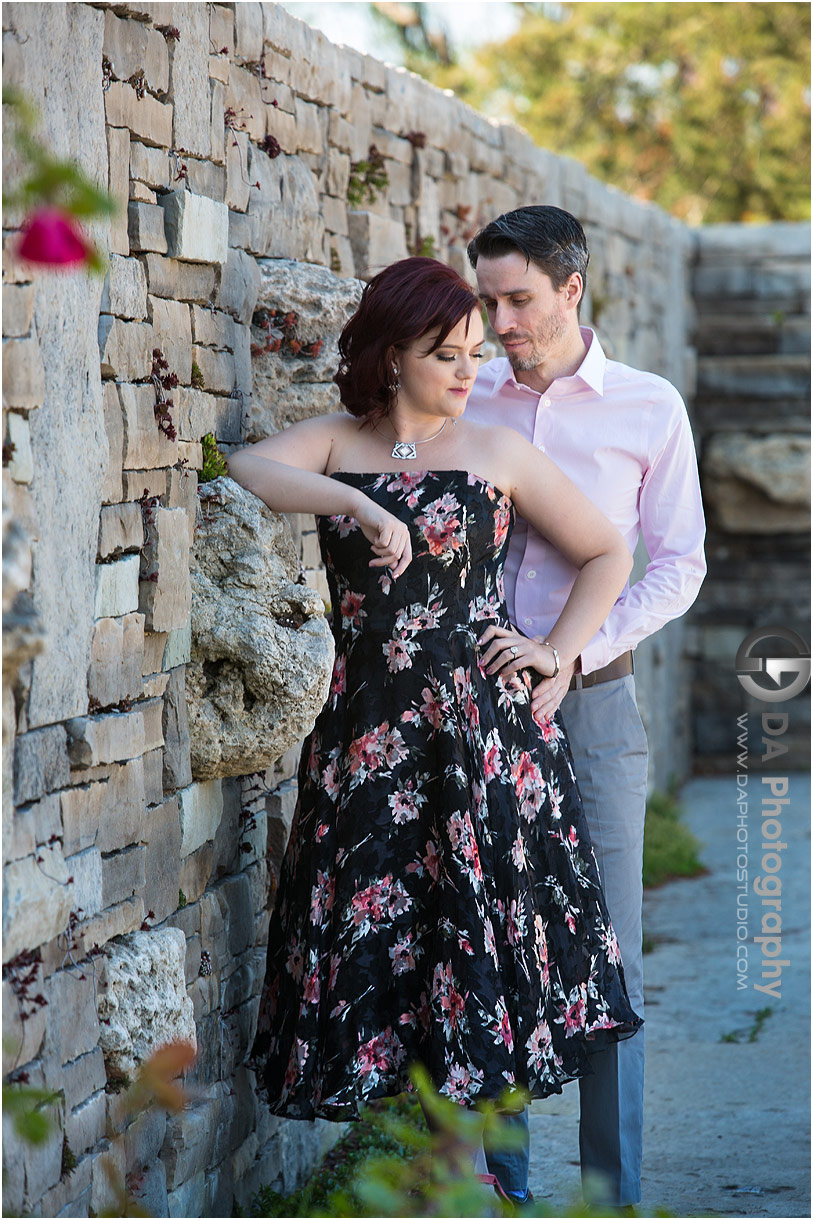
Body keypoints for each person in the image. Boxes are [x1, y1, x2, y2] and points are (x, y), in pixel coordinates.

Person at [229, 256, 642, 1207]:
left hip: (477, 737)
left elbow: (605, 550)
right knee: (393, 945)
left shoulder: (495, 448)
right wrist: (356, 499)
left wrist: (556, 652)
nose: (467, 370)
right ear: (391, 355)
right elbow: (244, 467)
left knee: (466, 939)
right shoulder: (338, 442)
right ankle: (444, 1179)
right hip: (367, 735)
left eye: (471, 352)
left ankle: (465, 1180)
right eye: (443, 354)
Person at [465, 206, 707, 1208]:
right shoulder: (464, 394)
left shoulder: (648, 406)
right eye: (487, 299)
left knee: (608, 958)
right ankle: (503, 1188)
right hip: (476, 714)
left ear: (572, 288)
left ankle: (612, 1194)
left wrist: (575, 651)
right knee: (488, 945)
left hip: (599, 707)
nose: (500, 320)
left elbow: (679, 564)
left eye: (518, 298)